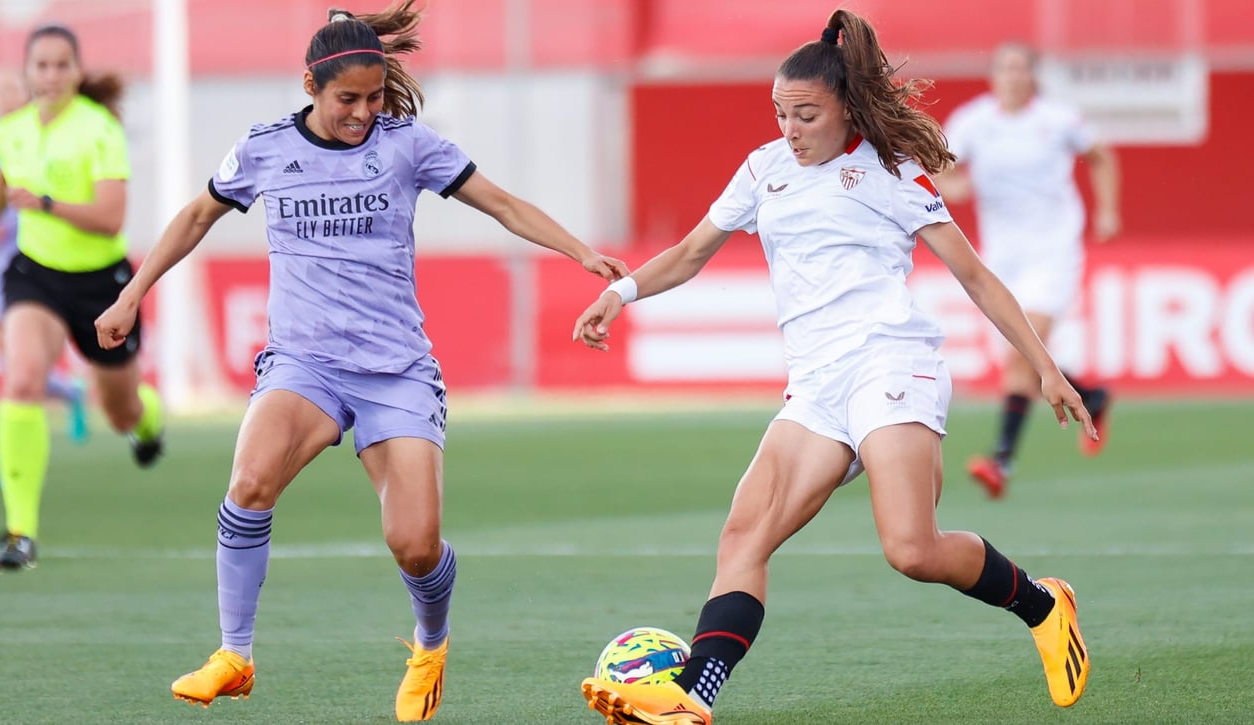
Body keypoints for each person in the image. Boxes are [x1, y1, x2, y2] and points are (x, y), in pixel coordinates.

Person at [94, 4, 627, 721]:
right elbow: (196, 216)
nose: (363, 112)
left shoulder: (407, 146)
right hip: (304, 363)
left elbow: (500, 203)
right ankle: (235, 654)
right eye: (348, 98)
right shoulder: (264, 149)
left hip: (395, 369)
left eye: (375, 98)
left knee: (414, 544)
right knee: (249, 482)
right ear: (311, 87)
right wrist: (132, 294)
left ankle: (430, 644)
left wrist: (580, 252)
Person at [573, 10, 1094, 725]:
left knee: (912, 550)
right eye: (780, 113)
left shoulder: (892, 170)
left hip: (892, 361)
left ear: (845, 107)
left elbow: (975, 276)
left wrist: (1045, 368)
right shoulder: (763, 169)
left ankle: (1043, 602)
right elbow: (692, 252)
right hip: (816, 385)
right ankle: (692, 697)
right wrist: (620, 292)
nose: (790, 129)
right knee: (743, 537)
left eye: (806, 115)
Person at [0, 25, 164, 573]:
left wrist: (46, 203)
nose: (52, 75)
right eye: (42, 65)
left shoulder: (99, 129)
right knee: (22, 380)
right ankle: (20, 533)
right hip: (35, 275)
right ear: (28, 72)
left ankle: (148, 422)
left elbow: (111, 218)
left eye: (62, 65)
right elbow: (5, 180)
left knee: (120, 412)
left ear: (77, 71)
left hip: (100, 285)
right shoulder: (9, 131)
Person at [936, 42, 1120, 499]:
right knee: (1022, 354)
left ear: (1033, 76)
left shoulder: (1057, 119)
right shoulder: (974, 122)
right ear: (994, 76)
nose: (1013, 76)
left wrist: (1107, 210)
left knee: (1023, 350)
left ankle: (1001, 461)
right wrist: (951, 185)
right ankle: (1091, 397)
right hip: (1001, 257)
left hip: (1053, 249)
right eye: (1006, 68)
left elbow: (1101, 156)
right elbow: (937, 166)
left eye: (1021, 68)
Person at [0, 66, 89, 449]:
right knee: (11, 354)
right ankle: (68, 393)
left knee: (23, 353)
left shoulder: (45, 132)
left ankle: (22, 447)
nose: (6, 97)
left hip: (39, 250)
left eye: (12, 89)